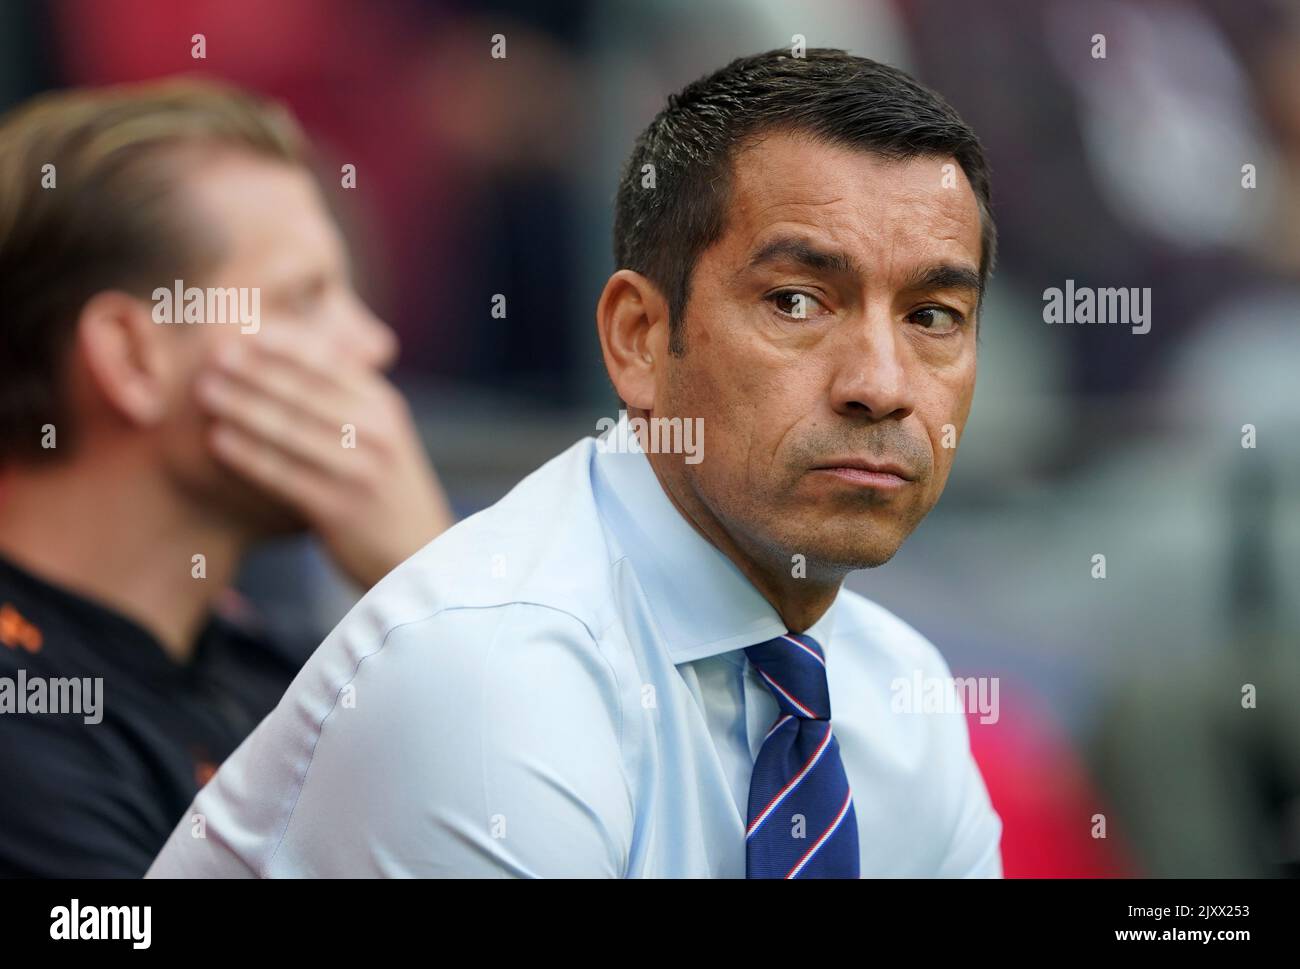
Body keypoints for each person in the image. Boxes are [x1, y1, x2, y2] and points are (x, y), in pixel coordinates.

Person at [148, 49, 1001, 878]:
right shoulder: (485, 675)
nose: (882, 386)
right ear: (637, 339)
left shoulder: (905, 691)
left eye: (933, 315)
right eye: (795, 301)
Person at [0, 78, 453, 877]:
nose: (372, 343)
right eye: (305, 298)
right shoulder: (26, 721)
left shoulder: (268, 670)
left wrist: (432, 590)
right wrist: (438, 601)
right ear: (132, 356)